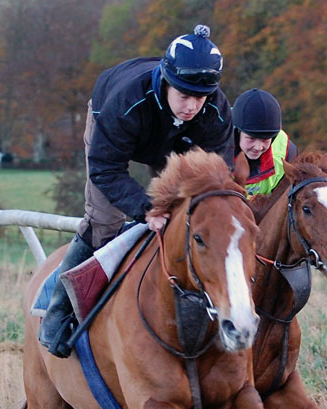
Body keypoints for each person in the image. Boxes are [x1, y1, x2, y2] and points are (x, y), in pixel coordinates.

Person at [38, 24, 234, 357]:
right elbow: (105, 168)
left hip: (174, 143)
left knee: (188, 217)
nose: (192, 106)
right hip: (113, 125)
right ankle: (58, 310)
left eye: (200, 98)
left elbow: (218, 177)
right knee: (105, 221)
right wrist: (145, 209)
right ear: (167, 82)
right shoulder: (127, 101)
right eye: (184, 95)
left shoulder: (216, 111)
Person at [231, 88, 298, 196]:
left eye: (265, 139)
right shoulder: (211, 147)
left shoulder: (287, 154)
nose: (258, 147)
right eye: (251, 138)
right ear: (237, 133)